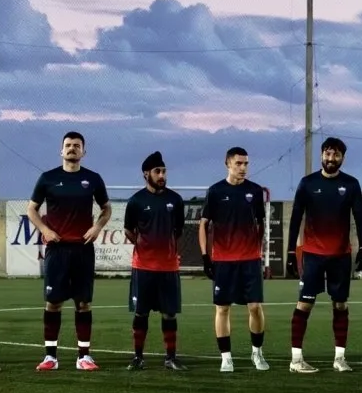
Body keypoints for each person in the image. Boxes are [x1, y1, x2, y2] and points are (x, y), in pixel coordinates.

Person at [27, 132, 112, 371]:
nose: (72, 148)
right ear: (61, 150)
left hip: (83, 250)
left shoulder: (93, 179)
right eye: (68, 145)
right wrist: (45, 229)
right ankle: (50, 357)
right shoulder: (48, 178)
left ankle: (84, 357)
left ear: (84, 151)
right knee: (53, 303)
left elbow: (106, 208)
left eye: (76, 145)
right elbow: (31, 209)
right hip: (57, 250)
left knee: (83, 303)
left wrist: (97, 227)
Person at [285, 137, 362, 373]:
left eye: (336, 155)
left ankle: (339, 358)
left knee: (340, 305)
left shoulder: (351, 184)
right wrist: (290, 252)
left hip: (341, 255)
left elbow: (360, 218)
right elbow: (296, 218)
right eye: (328, 154)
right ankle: (296, 360)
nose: (331, 158)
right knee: (304, 304)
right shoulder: (307, 183)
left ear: (342, 158)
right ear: (321, 155)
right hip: (313, 255)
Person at [199, 146, 269, 373]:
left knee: (255, 307)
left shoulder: (255, 191)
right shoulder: (215, 191)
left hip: (249, 259)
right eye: (238, 163)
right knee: (222, 309)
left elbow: (261, 224)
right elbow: (203, 224)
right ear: (228, 164)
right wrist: (206, 257)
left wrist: (257, 250)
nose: (243, 168)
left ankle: (257, 352)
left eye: (246, 163)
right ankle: (226, 358)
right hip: (223, 260)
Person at [124, 151, 187, 371]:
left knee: (169, 313)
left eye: (164, 171)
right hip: (143, 267)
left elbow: (178, 230)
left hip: (168, 267)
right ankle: (138, 358)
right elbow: (128, 230)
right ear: (146, 174)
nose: (162, 175)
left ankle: (170, 358)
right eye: (157, 171)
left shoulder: (175, 200)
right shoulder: (136, 201)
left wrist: (168, 249)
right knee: (140, 312)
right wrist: (142, 245)